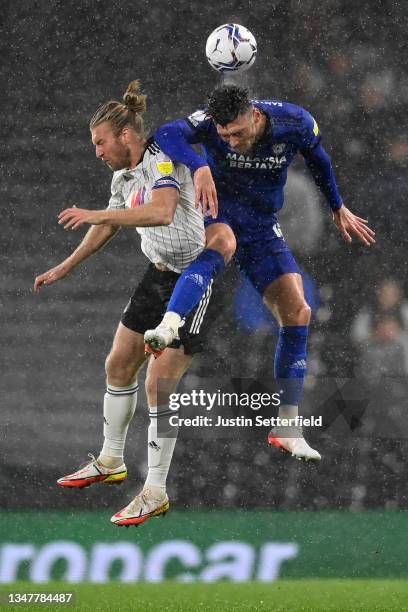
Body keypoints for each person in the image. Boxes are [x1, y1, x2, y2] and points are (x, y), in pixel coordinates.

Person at [145, 85, 376, 461]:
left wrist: (337, 206)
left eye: (237, 133)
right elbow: (167, 133)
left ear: (255, 115)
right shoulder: (209, 123)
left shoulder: (294, 121)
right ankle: (170, 324)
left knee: (298, 311)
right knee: (220, 244)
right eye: (224, 136)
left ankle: (287, 425)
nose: (232, 141)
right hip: (218, 213)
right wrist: (200, 164)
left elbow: (320, 159)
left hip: (261, 226)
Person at [34, 80, 216, 527]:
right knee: (118, 364)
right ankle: (111, 459)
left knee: (159, 383)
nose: (97, 151)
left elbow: (161, 212)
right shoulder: (123, 176)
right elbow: (110, 226)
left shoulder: (163, 159)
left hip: (192, 279)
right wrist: (66, 266)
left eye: (100, 141)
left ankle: (155, 489)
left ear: (127, 136)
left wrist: (96, 212)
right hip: (156, 275)